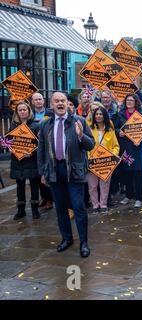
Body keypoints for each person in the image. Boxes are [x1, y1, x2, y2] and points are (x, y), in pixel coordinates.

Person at [38, 92, 95, 258]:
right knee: (61, 208)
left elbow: (90, 145)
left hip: (74, 172)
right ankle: (67, 238)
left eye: (63, 100)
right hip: (55, 171)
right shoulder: (46, 125)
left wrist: (80, 135)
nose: (60, 103)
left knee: (78, 207)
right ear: (52, 104)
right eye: (57, 101)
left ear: (67, 103)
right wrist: (43, 172)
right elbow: (41, 150)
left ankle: (84, 242)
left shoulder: (79, 121)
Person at [115, 94, 142, 208]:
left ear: (136, 102)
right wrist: (118, 132)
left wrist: (141, 138)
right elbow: (114, 128)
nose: (129, 102)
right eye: (127, 100)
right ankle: (128, 195)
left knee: (138, 173)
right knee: (127, 172)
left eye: (131, 100)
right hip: (126, 148)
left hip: (138, 147)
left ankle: (139, 197)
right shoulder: (120, 114)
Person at [9, 101, 41, 220]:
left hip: (31, 160)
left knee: (34, 185)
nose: (23, 112)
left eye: (25, 110)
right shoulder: (13, 125)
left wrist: (32, 153)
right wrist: (10, 149)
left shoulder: (36, 125)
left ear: (29, 111)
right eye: (20, 110)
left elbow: (40, 144)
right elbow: (10, 142)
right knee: (20, 186)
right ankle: (21, 210)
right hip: (18, 161)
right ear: (17, 112)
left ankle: (35, 210)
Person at [87, 106, 120, 213]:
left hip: (106, 163)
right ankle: (95, 205)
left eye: (101, 114)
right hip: (92, 162)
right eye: (96, 114)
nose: (98, 116)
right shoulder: (89, 128)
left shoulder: (110, 129)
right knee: (92, 186)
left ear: (104, 116)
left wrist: (112, 156)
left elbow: (116, 146)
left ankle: (103, 205)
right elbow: (85, 145)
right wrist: (89, 158)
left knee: (104, 186)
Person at [30, 92, 54, 211]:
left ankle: (50, 199)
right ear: (32, 102)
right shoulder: (31, 115)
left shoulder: (50, 113)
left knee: (47, 172)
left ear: (43, 101)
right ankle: (44, 197)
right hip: (35, 148)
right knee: (39, 173)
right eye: (36, 100)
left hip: (48, 145)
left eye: (40, 99)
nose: (38, 101)